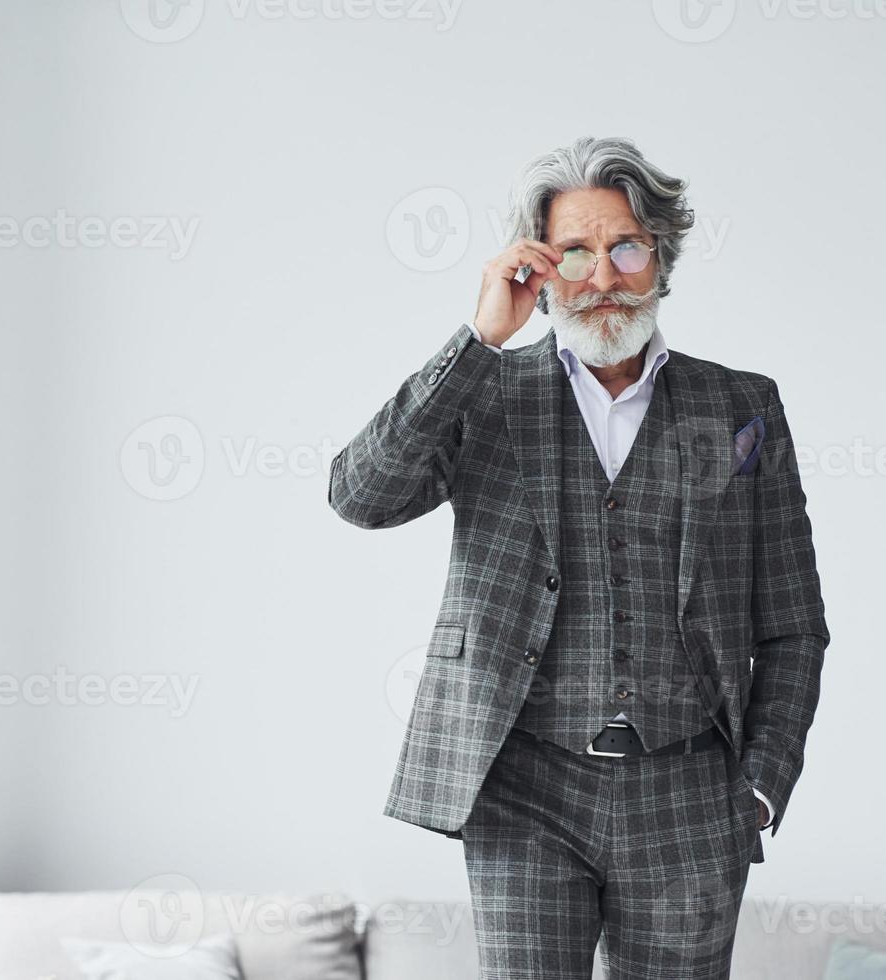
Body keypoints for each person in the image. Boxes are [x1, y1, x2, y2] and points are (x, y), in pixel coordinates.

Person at [328, 135, 830, 979]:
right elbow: (361, 496)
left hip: (691, 795)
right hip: (525, 787)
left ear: (660, 258)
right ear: (541, 265)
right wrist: (477, 340)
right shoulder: (485, 388)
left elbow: (792, 624)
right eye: (577, 252)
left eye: (627, 247)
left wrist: (758, 789)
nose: (603, 278)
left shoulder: (741, 405)